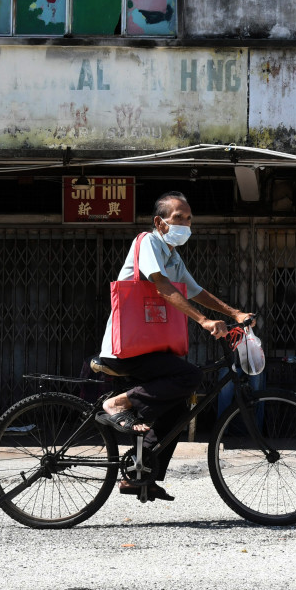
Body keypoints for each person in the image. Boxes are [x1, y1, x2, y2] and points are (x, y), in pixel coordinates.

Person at [91, 191, 254, 501]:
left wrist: (234, 314)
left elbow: (195, 291)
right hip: (124, 349)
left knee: (180, 404)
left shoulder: (172, 255)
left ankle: (141, 476)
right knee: (189, 376)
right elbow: (162, 286)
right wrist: (205, 322)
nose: (186, 225)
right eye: (179, 218)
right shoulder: (149, 242)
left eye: (189, 219)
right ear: (160, 222)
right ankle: (117, 404)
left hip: (147, 349)